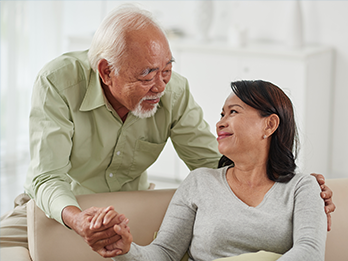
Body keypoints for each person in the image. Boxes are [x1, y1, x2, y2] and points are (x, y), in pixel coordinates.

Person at [0, 5, 334, 259]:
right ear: (106, 72)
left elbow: (214, 165)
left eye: (168, 69)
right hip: (60, 205)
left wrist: (289, 182)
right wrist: (78, 219)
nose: (160, 86)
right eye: (147, 75)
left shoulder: (173, 93)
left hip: (126, 206)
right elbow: (47, 178)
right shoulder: (59, 82)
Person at [93, 80, 327, 261]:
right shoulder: (199, 181)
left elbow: (309, 251)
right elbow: (164, 253)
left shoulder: (302, 187)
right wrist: (125, 250)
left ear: (270, 124)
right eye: (221, 114)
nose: (220, 123)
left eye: (233, 112)